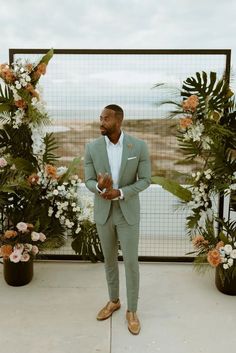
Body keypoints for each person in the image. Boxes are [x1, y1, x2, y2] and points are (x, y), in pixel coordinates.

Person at [84, 104, 151, 335]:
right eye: (100, 117)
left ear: (118, 121)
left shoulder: (138, 146)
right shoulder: (92, 147)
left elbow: (145, 180)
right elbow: (88, 179)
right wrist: (99, 187)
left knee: (131, 262)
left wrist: (120, 192)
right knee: (109, 261)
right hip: (104, 212)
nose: (101, 122)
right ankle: (114, 301)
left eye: (106, 118)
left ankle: (132, 310)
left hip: (127, 212)